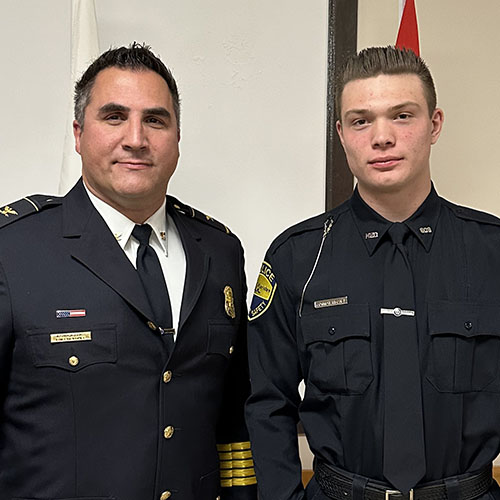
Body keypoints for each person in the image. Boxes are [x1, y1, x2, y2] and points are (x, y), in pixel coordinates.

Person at [0, 43, 256, 500]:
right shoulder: (13, 251)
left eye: (155, 120)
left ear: (177, 138)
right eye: (114, 116)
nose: (136, 138)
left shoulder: (220, 252)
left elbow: (233, 416)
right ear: (78, 134)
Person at [246, 46, 500, 500]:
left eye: (402, 116)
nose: (382, 137)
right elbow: (267, 403)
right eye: (361, 121)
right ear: (342, 134)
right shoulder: (297, 258)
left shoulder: (493, 251)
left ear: (435, 124)